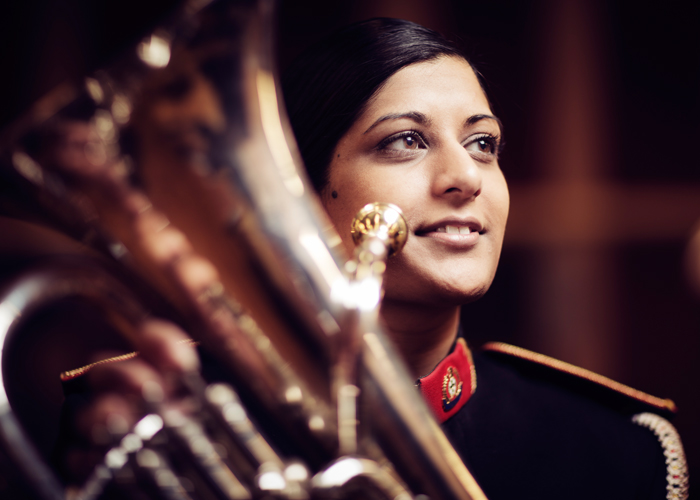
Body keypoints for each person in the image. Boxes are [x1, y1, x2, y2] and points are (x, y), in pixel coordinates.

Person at [52, 17, 687, 500]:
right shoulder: (159, 428)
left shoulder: (616, 449)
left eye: (484, 143)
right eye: (405, 141)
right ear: (299, 195)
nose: (465, 176)